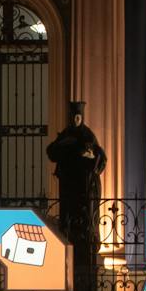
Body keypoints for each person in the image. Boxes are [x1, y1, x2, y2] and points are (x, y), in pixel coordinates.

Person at [45, 100, 108, 260]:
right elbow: (52, 152)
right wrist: (64, 146)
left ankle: (87, 244)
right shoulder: (66, 134)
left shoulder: (87, 135)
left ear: (81, 118)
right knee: (68, 213)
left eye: (78, 118)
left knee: (85, 215)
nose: (75, 121)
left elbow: (100, 157)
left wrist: (91, 156)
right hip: (68, 184)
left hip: (84, 185)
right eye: (73, 118)